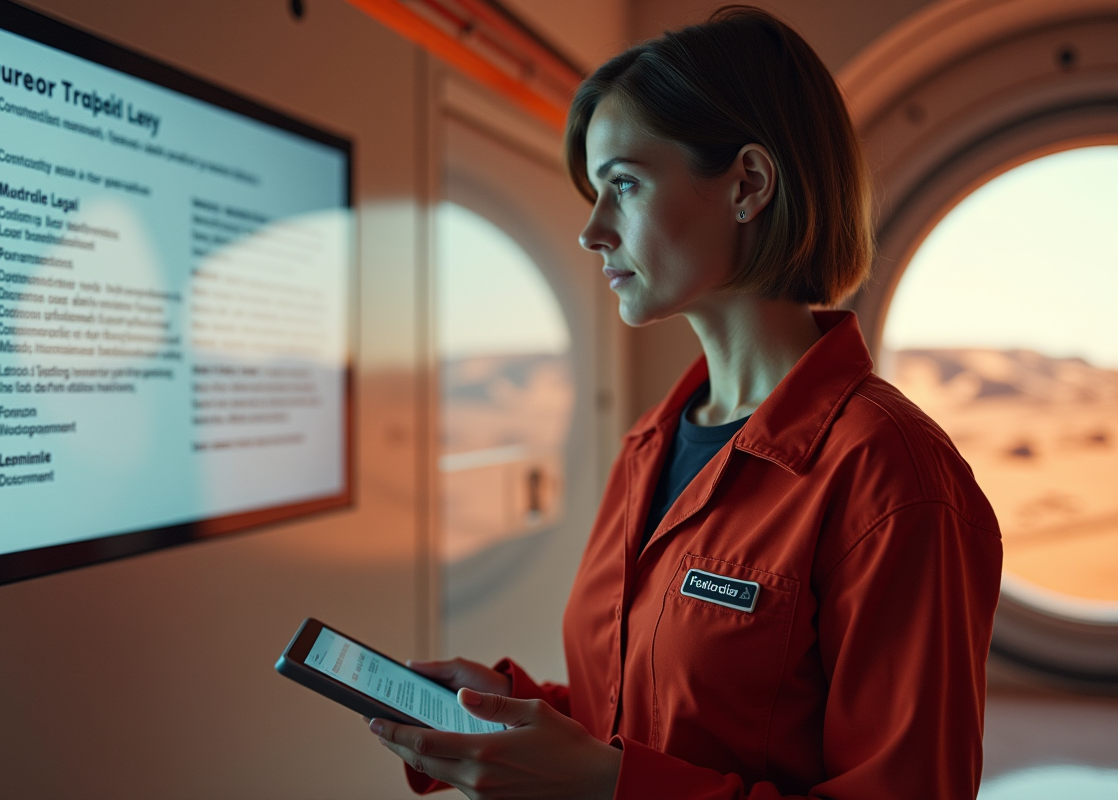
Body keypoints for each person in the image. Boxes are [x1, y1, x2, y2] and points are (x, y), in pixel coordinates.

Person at [367, 6, 1003, 799]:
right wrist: (513, 712)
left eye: (623, 185)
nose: (592, 230)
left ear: (747, 184)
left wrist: (607, 788)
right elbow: (645, 723)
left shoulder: (890, 475)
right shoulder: (651, 445)